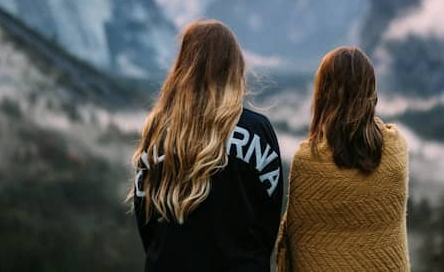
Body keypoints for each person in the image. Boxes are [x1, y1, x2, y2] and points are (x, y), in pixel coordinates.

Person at [131, 20, 283, 272]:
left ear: (183, 68)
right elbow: (269, 217)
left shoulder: (158, 130)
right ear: (234, 69)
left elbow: (145, 217)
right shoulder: (258, 130)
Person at [277, 46, 409, 271]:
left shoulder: (307, 161)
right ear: (371, 93)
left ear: (323, 94)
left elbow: (295, 238)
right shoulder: (395, 148)